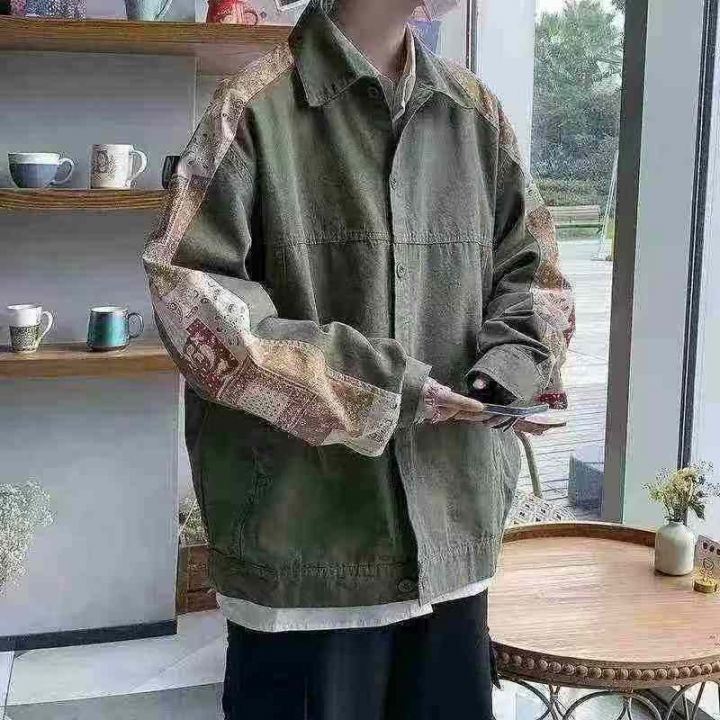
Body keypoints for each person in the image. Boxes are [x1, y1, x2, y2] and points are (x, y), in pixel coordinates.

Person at [143, 0, 574, 717]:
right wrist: (387, 389)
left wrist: (506, 375)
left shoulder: (475, 114)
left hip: (452, 536)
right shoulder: (251, 108)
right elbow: (192, 298)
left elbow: (536, 274)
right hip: (305, 550)